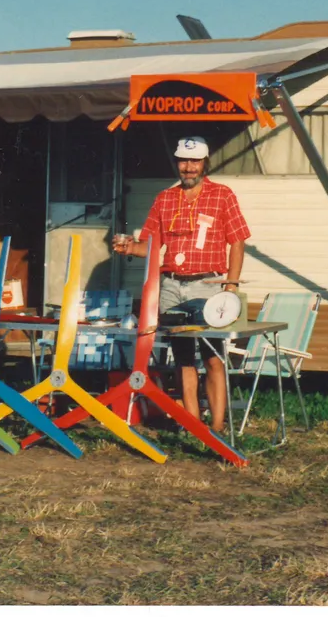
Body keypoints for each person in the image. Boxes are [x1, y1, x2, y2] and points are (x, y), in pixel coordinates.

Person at [112, 136, 250, 433]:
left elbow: (238, 241)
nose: (188, 168)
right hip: (171, 286)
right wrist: (127, 247)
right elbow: (149, 245)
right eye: (183, 162)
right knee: (183, 357)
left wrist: (231, 286)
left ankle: (217, 427)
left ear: (205, 163)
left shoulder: (223, 195)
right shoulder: (165, 199)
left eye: (194, 161)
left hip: (209, 285)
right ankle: (194, 425)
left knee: (213, 356)